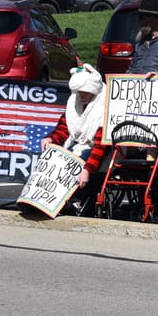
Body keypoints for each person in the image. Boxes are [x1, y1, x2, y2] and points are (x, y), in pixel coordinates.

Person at [39, 63, 109, 216]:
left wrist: (87, 169)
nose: (81, 95)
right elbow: (64, 128)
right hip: (76, 143)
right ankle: (47, 200)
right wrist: (51, 138)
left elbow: (100, 146)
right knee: (53, 159)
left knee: (77, 160)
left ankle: (75, 199)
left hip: (95, 146)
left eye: (85, 92)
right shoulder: (74, 101)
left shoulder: (104, 108)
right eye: (79, 92)